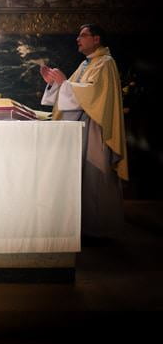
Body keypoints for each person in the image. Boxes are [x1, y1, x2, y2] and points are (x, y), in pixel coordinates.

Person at [40, 24, 128, 240]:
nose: (78, 39)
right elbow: (73, 91)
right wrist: (55, 84)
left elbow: (93, 95)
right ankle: (85, 228)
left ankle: (102, 230)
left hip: (96, 127)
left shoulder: (105, 63)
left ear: (96, 39)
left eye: (83, 35)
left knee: (96, 176)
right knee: (83, 179)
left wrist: (64, 83)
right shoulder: (86, 64)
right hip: (82, 125)